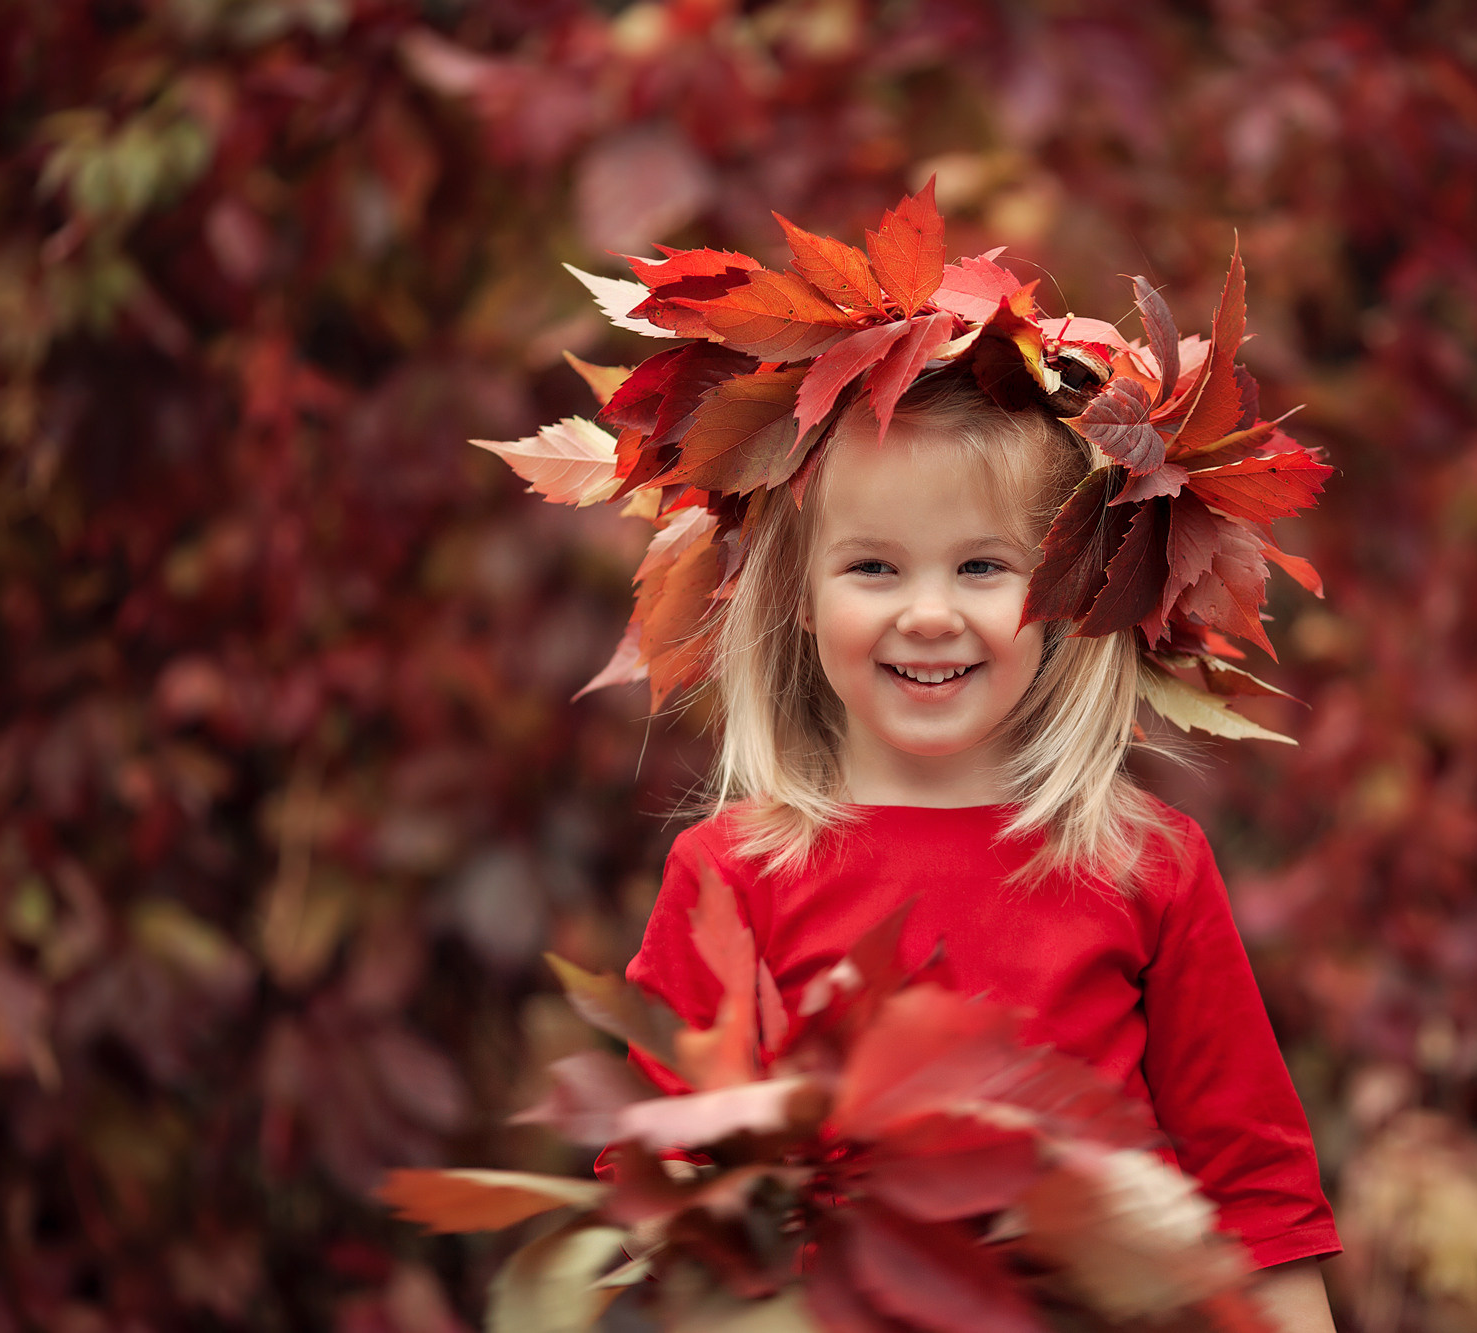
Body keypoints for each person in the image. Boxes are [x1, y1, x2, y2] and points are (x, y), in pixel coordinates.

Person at [496, 189, 1341, 1329]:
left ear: (1066, 595)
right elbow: (658, 1202)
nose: (928, 615)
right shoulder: (734, 875)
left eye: (984, 567)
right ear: (793, 598)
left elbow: (1256, 1201)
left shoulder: (1143, 868)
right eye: (875, 569)